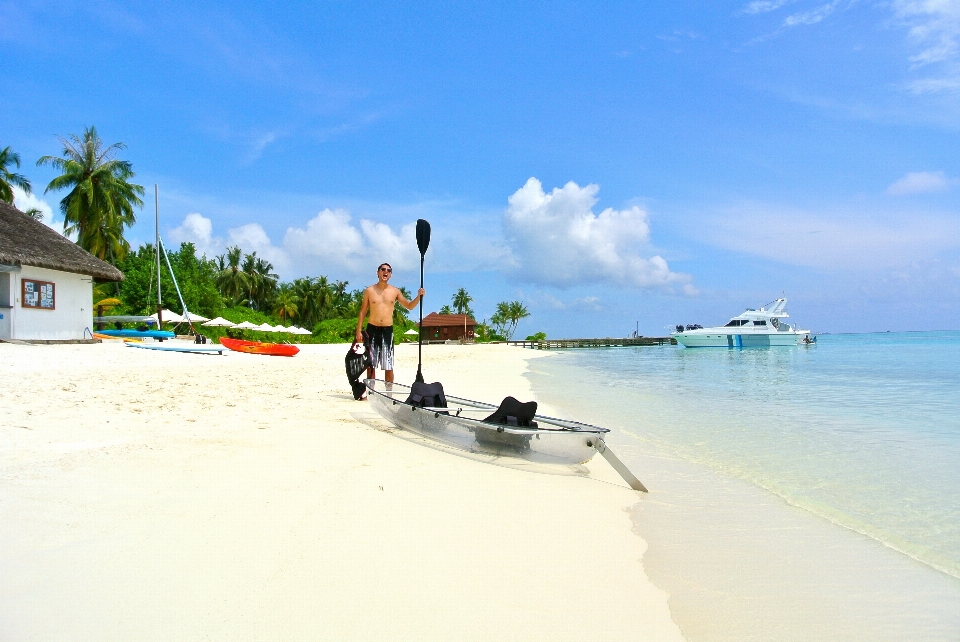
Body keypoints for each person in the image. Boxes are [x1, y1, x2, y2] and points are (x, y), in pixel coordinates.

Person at [355, 263, 425, 383]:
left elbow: (409, 306)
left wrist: (419, 296)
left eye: (388, 270)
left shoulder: (395, 291)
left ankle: (389, 393)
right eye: (383, 269)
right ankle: (371, 391)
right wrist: (358, 331)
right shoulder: (369, 291)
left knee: (388, 366)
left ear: (390, 275)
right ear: (378, 272)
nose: (385, 272)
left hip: (387, 331)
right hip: (372, 329)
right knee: (370, 364)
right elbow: (362, 311)